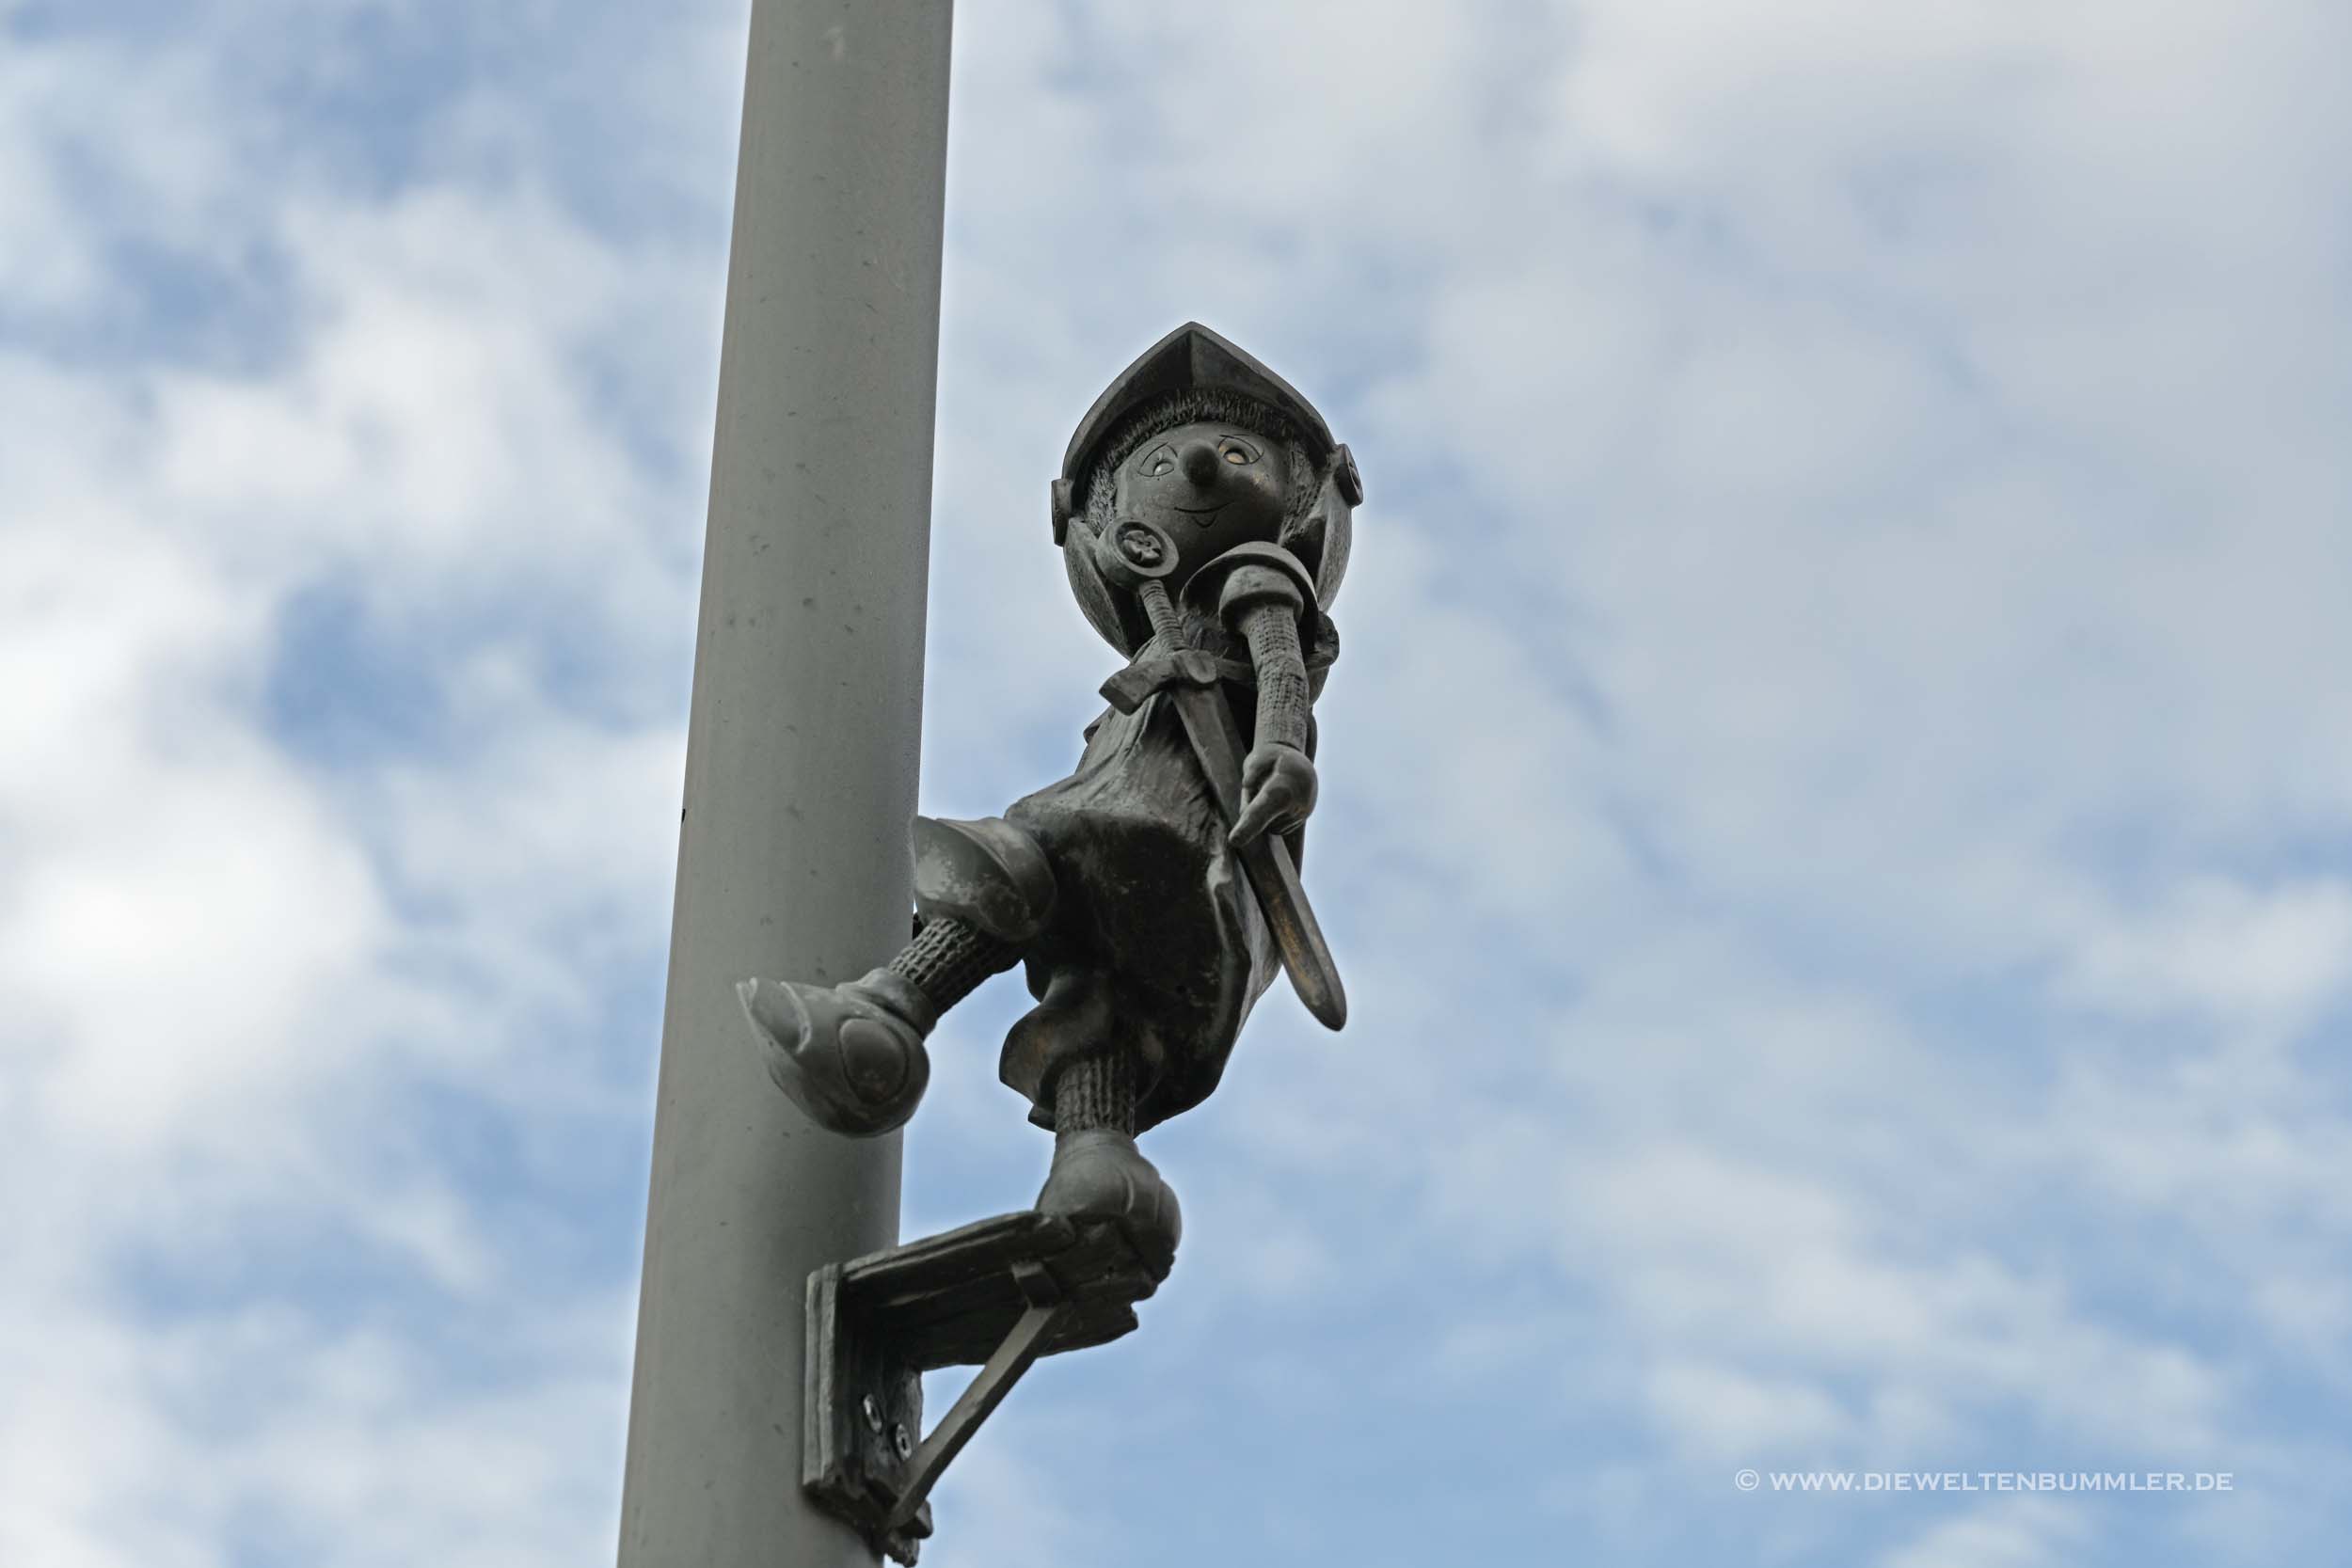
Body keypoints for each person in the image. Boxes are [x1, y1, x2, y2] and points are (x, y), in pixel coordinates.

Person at [741, 323, 1360, 1277]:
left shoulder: (1255, 571)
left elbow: (1279, 665)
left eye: (1240, 454)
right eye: (1163, 459)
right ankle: (1095, 1163)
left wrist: (1283, 750)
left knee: (1024, 858)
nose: (1202, 465)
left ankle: (891, 1011)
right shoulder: (1158, 630)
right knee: (1100, 989)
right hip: (1165, 829)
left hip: (1175, 822)